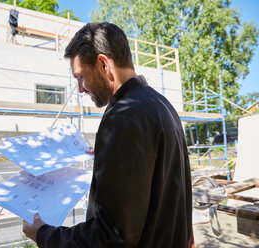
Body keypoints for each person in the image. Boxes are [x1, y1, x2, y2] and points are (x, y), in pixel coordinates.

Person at [23, 22, 193, 247]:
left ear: (103, 64)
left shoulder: (123, 117)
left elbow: (110, 237)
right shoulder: (161, 105)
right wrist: (110, 153)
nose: (81, 88)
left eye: (80, 77)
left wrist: (43, 234)